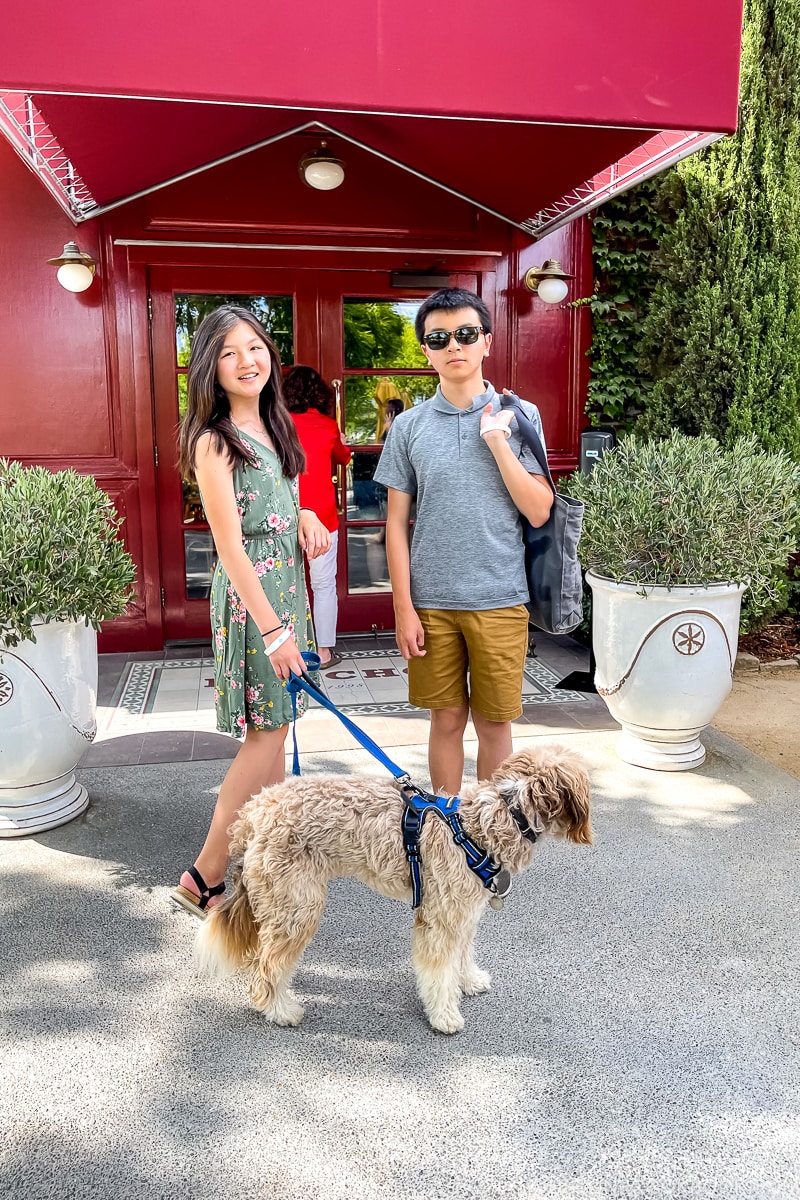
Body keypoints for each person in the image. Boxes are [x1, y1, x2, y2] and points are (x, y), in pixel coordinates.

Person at [171, 306, 330, 917]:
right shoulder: (216, 441)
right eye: (230, 352)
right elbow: (230, 546)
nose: (247, 361)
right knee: (264, 736)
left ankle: (248, 850)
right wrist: (273, 632)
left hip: (285, 589)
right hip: (254, 603)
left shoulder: (274, 427)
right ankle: (205, 873)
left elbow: (277, 506)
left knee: (278, 729)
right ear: (212, 367)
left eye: (256, 347)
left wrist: (307, 516)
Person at [374, 287, 553, 795]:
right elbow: (395, 525)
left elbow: (539, 508)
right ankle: (448, 831)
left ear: (487, 342)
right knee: (446, 720)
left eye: (466, 334)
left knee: (496, 724)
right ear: (426, 350)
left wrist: (497, 441)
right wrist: (403, 608)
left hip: (500, 596)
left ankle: (491, 835)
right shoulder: (408, 427)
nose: (454, 345)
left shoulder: (520, 416)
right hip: (431, 604)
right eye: (439, 337)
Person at [284, 365, 352, 670]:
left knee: (285, 584)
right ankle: (324, 652)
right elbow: (344, 457)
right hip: (323, 515)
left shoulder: (276, 425)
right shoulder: (327, 425)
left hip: (285, 513)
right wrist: (341, 436)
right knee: (324, 585)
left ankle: (290, 650)